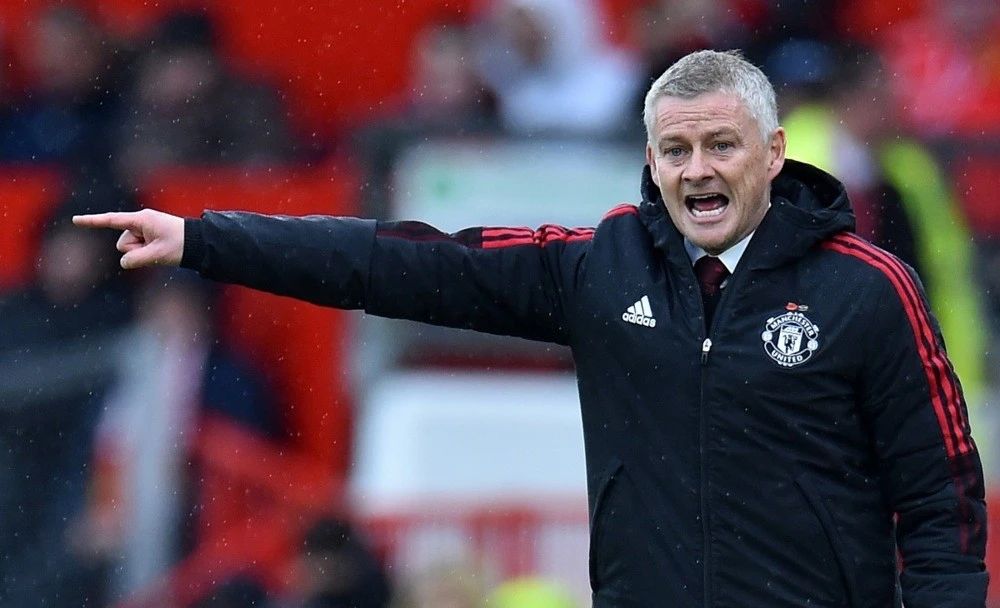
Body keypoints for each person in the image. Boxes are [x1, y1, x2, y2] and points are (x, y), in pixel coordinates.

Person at [74, 50, 987, 607]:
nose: (698, 170)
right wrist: (205, 239)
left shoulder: (870, 291)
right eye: (676, 150)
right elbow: (402, 262)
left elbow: (941, 499)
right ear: (651, 161)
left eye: (722, 145)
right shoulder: (599, 269)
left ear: (775, 153)